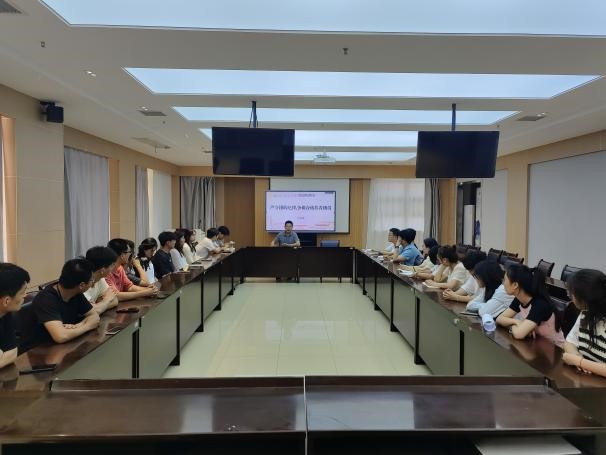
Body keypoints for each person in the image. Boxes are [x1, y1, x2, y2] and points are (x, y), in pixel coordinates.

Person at [26, 259, 100, 346]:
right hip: (43, 349)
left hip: (67, 344)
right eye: (91, 281)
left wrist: (78, 326)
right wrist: (88, 326)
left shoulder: (76, 293)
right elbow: (60, 336)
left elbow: (94, 315)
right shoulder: (45, 299)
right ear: (81, 285)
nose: (92, 283)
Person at [496, 264, 565, 345]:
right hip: (536, 343)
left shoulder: (540, 304)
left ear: (515, 285)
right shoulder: (519, 299)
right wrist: (516, 322)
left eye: (505, 280)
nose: (503, 283)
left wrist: (515, 326)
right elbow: (499, 319)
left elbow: (519, 334)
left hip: (555, 348)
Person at [563, 269, 606, 377]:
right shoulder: (585, 314)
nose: (571, 297)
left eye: (571, 294)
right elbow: (569, 343)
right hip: (589, 379)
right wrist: (576, 356)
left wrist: (580, 362)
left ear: (584, 298)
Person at [0, 264, 30, 368]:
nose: (26, 295)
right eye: (23, 292)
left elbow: (13, 353)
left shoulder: (5, 312)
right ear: (6, 301)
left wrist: (3, 356)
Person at [83, 246, 119, 314]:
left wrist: (99, 305)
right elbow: (92, 311)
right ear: (102, 270)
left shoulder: (100, 279)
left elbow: (115, 300)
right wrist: (107, 300)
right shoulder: (82, 283)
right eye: (112, 265)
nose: (113, 268)